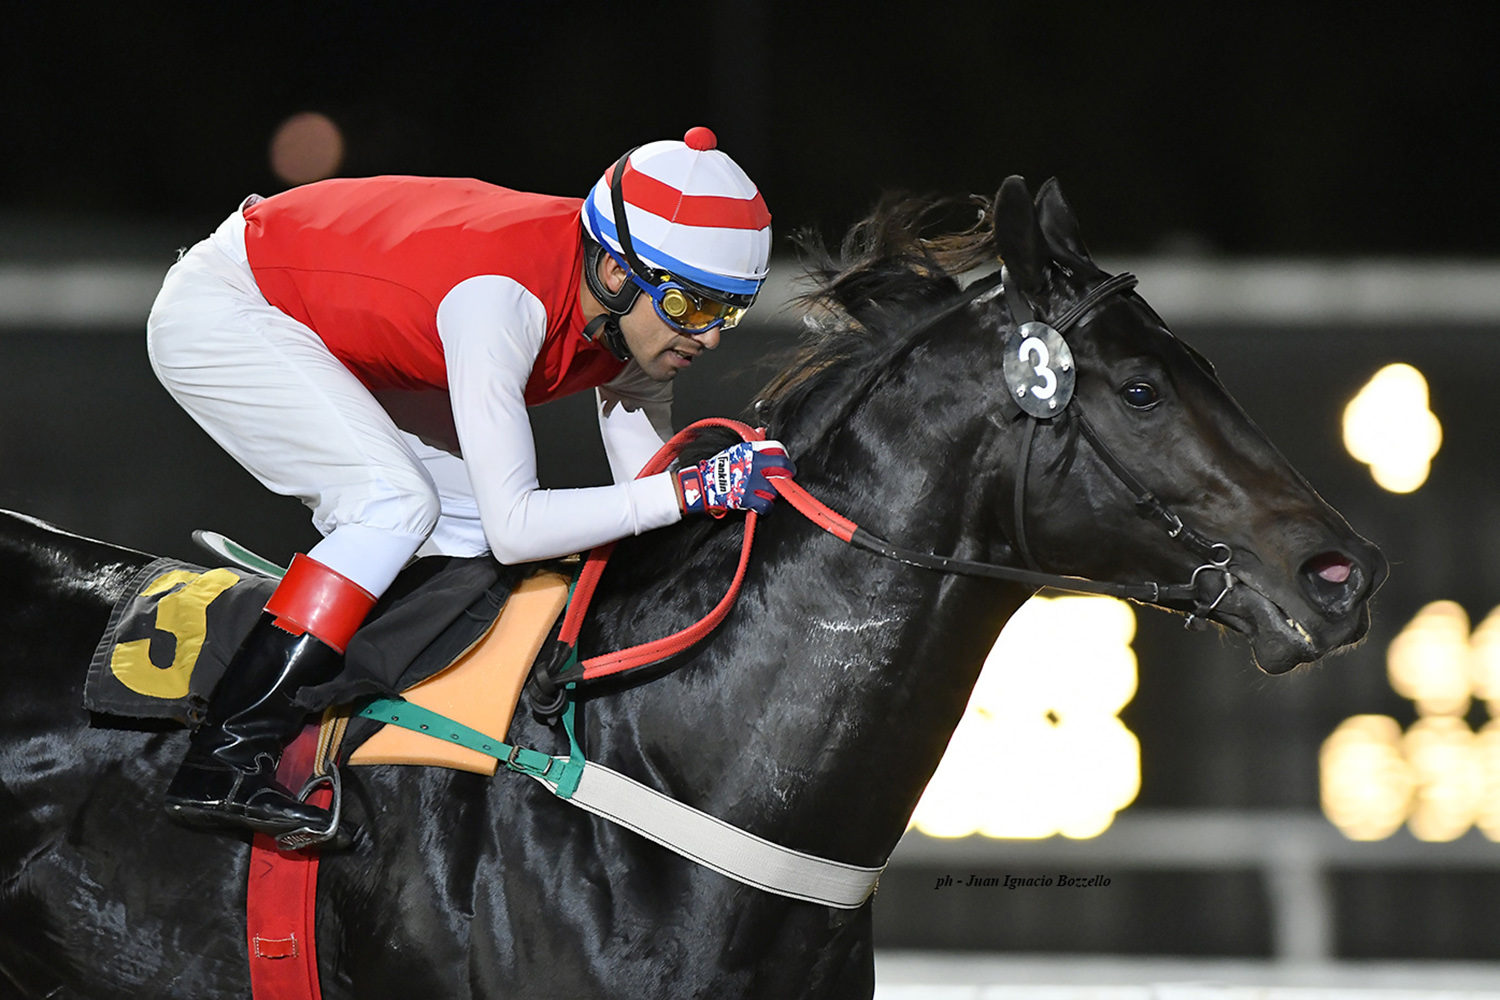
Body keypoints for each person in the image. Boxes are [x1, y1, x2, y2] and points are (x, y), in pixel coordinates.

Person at [145, 127, 794, 841]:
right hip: (230, 305)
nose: (710, 337)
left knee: (464, 531)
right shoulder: (502, 301)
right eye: (691, 308)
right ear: (615, 274)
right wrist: (694, 490)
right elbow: (526, 527)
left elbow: (645, 496)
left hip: (330, 321)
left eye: (727, 311)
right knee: (395, 507)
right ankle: (225, 755)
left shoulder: (624, 314)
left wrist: (721, 506)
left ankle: (348, 716)